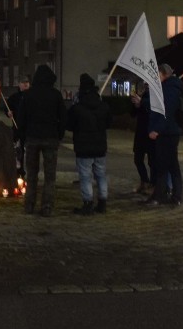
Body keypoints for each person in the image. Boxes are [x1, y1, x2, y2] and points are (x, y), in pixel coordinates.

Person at [17, 64, 67, 217]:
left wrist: (23, 136)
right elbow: (63, 117)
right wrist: (59, 134)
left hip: (32, 138)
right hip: (50, 138)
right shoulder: (56, 95)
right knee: (49, 176)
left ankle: (29, 205)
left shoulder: (28, 95)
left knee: (32, 174)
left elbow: (21, 118)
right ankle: (46, 206)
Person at [66, 73, 111, 215]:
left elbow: (69, 125)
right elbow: (109, 123)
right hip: (100, 146)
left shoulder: (77, 108)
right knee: (101, 174)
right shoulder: (103, 106)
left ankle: (88, 203)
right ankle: (102, 202)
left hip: (83, 147)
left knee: (85, 176)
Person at [147, 63, 183, 207]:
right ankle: (176, 196)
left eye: (158, 74)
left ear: (163, 74)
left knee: (162, 166)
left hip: (167, 133)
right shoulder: (172, 87)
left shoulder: (170, 89)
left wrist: (157, 129)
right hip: (171, 131)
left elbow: (166, 112)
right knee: (172, 165)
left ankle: (160, 196)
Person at [129, 81, 155, 194]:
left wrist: (142, 103)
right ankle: (144, 181)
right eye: (145, 83)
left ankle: (153, 185)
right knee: (138, 158)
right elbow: (133, 114)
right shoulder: (143, 94)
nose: (146, 85)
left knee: (152, 161)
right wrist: (135, 104)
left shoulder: (155, 96)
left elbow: (153, 109)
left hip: (151, 131)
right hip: (140, 132)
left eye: (148, 83)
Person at [6, 74, 30, 177]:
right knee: (18, 151)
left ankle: (29, 171)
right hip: (17, 128)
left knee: (29, 152)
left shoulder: (31, 97)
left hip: (29, 129)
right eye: (23, 83)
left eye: (27, 83)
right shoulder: (14, 98)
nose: (25, 85)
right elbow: (7, 108)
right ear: (19, 84)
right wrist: (8, 113)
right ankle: (19, 170)